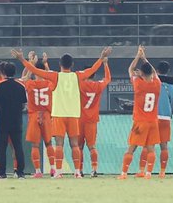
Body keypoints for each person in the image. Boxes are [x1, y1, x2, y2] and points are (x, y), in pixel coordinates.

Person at [17, 46, 110, 177]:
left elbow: (34, 70)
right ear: (72, 64)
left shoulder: (55, 76)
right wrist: (101, 59)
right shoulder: (77, 76)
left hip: (58, 114)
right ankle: (77, 172)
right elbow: (92, 70)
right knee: (75, 145)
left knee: (59, 144)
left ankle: (59, 172)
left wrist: (22, 59)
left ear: (60, 64)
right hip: (73, 115)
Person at [120, 46, 161, 180]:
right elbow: (154, 73)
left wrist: (138, 56)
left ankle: (124, 173)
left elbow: (130, 69)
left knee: (131, 148)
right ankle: (148, 173)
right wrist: (144, 59)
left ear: (141, 74)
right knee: (151, 149)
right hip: (153, 122)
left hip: (140, 122)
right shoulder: (157, 84)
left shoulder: (138, 84)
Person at [0, 62, 28, 179]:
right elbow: (24, 105)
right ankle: (20, 172)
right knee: (18, 146)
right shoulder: (20, 86)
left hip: (2, 120)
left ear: (3, 72)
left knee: (1, 147)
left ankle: (1, 173)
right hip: (16, 120)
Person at [78, 56, 112, 177]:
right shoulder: (98, 85)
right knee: (92, 147)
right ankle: (94, 169)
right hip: (92, 120)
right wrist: (105, 64)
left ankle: (79, 171)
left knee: (79, 147)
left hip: (79, 119)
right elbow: (108, 78)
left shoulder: (80, 84)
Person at [21, 53, 53, 177]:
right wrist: (45, 64)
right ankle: (53, 169)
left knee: (35, 145)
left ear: (34, 72)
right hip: (46, 115)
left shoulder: (30, 83)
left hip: (34, 115)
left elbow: (24, 77)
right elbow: (51, 76)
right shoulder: (49, 84)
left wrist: (30, 64)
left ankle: (38, 171)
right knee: (49, 143)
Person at [154, 60, 173, 179]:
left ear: (157, 69)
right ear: (168, 71)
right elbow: (171, 98)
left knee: (149, 145)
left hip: (153, 116)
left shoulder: (153, 81)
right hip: (166, 117)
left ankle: (145, 170)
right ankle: (162, 172)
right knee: (164, 146)